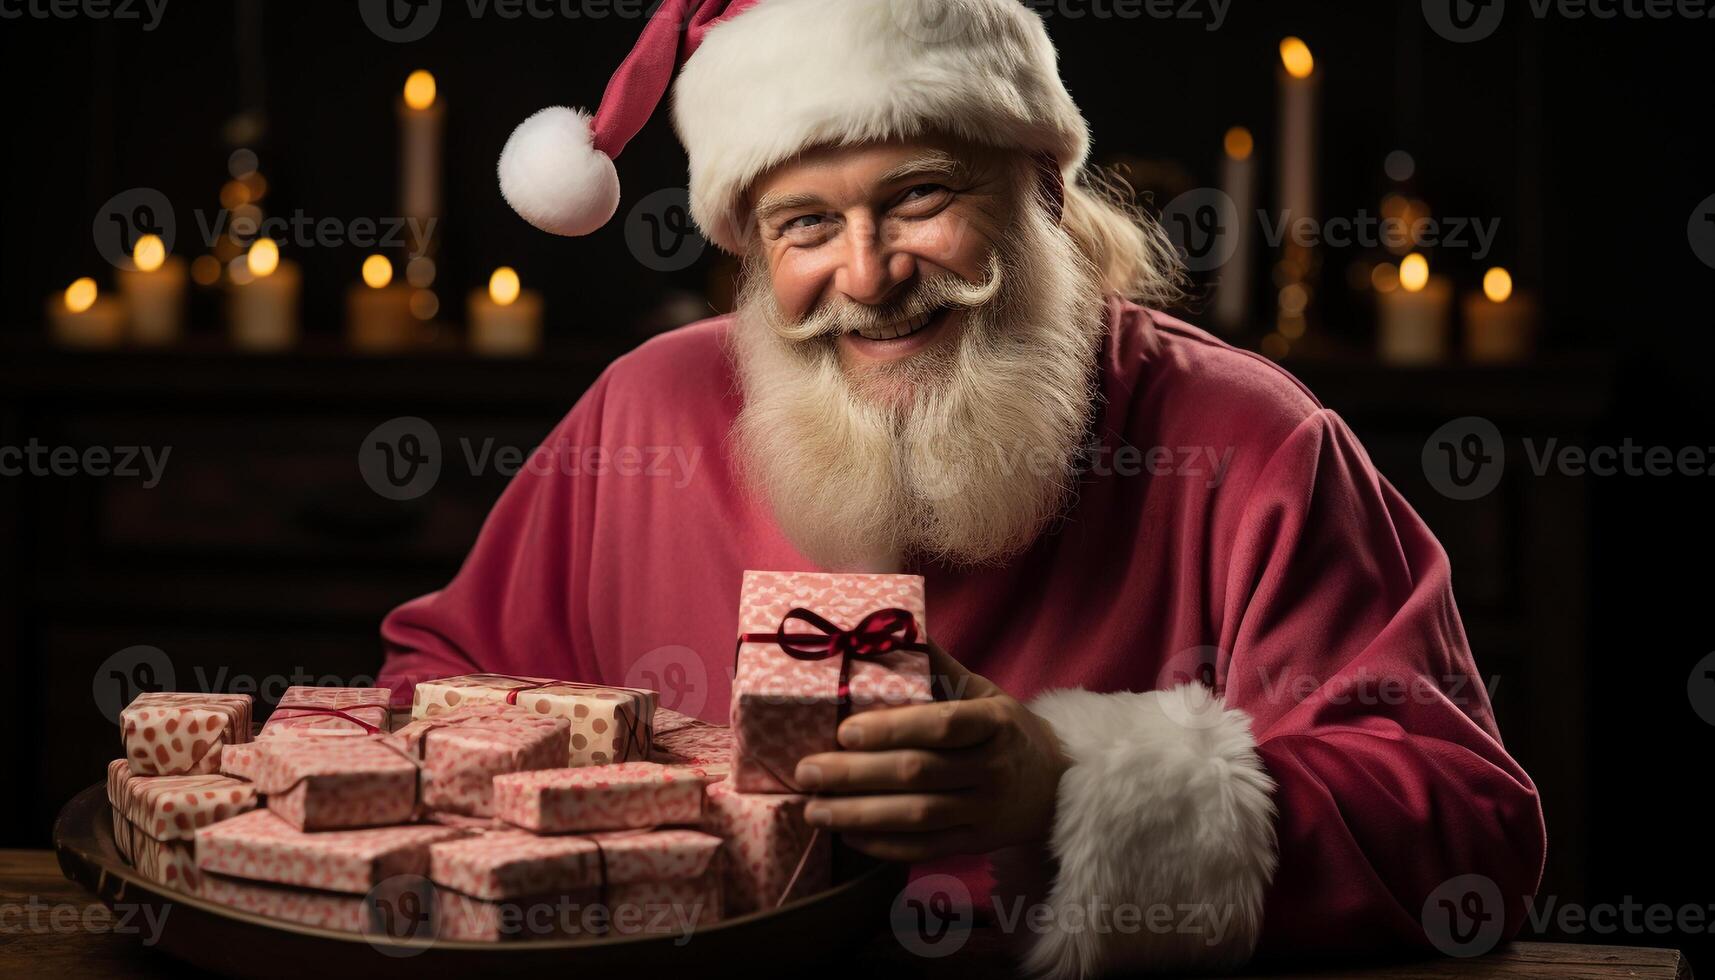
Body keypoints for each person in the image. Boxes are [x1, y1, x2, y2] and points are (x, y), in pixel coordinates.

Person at [378, 1, 1545, 975]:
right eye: (805, 224)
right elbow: (428, 694)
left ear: (1040, 185)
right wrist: (629, 823)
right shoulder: (643, 414)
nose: (869, 271)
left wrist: (1064, 790)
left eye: (918, 196)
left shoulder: (1247, 440)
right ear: (747, 253)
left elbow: (1464, 826)